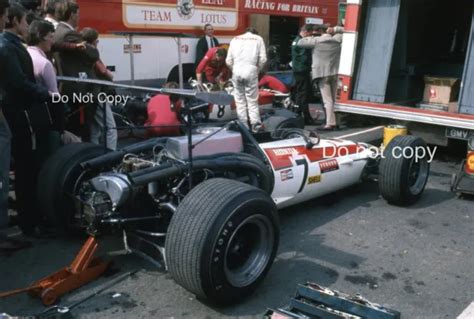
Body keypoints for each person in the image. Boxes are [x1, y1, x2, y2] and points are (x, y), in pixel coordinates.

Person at [1, 3, 51, 237]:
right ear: (13, 20)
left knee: (24, 166)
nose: (26, 25)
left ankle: (27, 217)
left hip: (17, 110)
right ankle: (29, 221)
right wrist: (46, 94)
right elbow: (18, 83)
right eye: (23, 21)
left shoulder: (12, 45)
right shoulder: (7, 47)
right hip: (18, 112)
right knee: (25, 167)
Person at [53, 0, 99, 141]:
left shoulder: (57, 31)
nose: (79, 17)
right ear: (72, 14)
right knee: (83, 130)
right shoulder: (68, 34)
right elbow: (93, 54)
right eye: (78, 14)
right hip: (79, 89)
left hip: (68, 87)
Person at [27, 19, 64, 161]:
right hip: (47, 119)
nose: (52, 41)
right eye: (50, 37)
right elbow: (55, 96)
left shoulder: (26, 54)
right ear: (42, 37)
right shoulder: (44, 64)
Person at [297, 25, 343, 130]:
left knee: (327, 100)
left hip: (322, 74)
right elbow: (348, 31)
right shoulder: (337, 39)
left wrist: (313, 37)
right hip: (335, 72)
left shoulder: (316, 41)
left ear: (319, 32)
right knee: (335, 99)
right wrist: (336, 29)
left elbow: (300, 42)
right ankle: (336, 121)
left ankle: (330, 123)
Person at [81, 27, 117, 150]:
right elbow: (102, 70)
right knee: (111, 128)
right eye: (97, 41)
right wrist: (110, 74)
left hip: (89, 94)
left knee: (95, 129)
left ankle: (93, 154)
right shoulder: (91, 53)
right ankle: (112, 155)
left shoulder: (81, 52)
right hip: (98, 93)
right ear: (93, 41)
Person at [226, 27, 267, 132]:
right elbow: (263, 59)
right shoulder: (258, 39)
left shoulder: (235, 39)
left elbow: (228, 60)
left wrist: (234, 69)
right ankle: (255, 124)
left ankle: (243, 125)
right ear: (255, 33)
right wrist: (257, 71)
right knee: (252, 100)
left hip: (237, 70)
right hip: (250, 70)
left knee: (239, 100)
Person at [292, 24, 315, 125]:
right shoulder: (301, 43)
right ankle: (306, 117)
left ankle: (297, 113)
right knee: (303, 94)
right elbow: (305, 57)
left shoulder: (295, 40)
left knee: (299, 93)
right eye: (309, 34)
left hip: (297, 70)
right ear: (306, 32)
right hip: (302, 70)